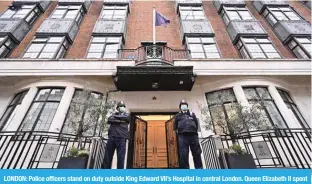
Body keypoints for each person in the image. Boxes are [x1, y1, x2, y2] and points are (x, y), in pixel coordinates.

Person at [174, 100, 203, 169]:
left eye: (185, 104)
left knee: (197, 153)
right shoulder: (178, 116)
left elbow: (196, 124)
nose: (183, 106)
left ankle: (199, 169)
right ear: (180, 107)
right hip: (183, 136)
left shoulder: (192, 114)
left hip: (193, 135)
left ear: (187, 106)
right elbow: (175, 127)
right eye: (182, 105)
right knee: (183, 154)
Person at [102, 101, 130, 169]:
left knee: (121, 158)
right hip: (112, 137)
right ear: (117, 108)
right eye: (120, 106)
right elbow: (109, 120)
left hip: (121, 138)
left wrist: (115, 119)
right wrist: (121, 121)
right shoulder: (113, 115)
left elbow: (127, 119)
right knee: (107, 157)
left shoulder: (127, 115)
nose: (121, 107)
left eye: (123, 106)